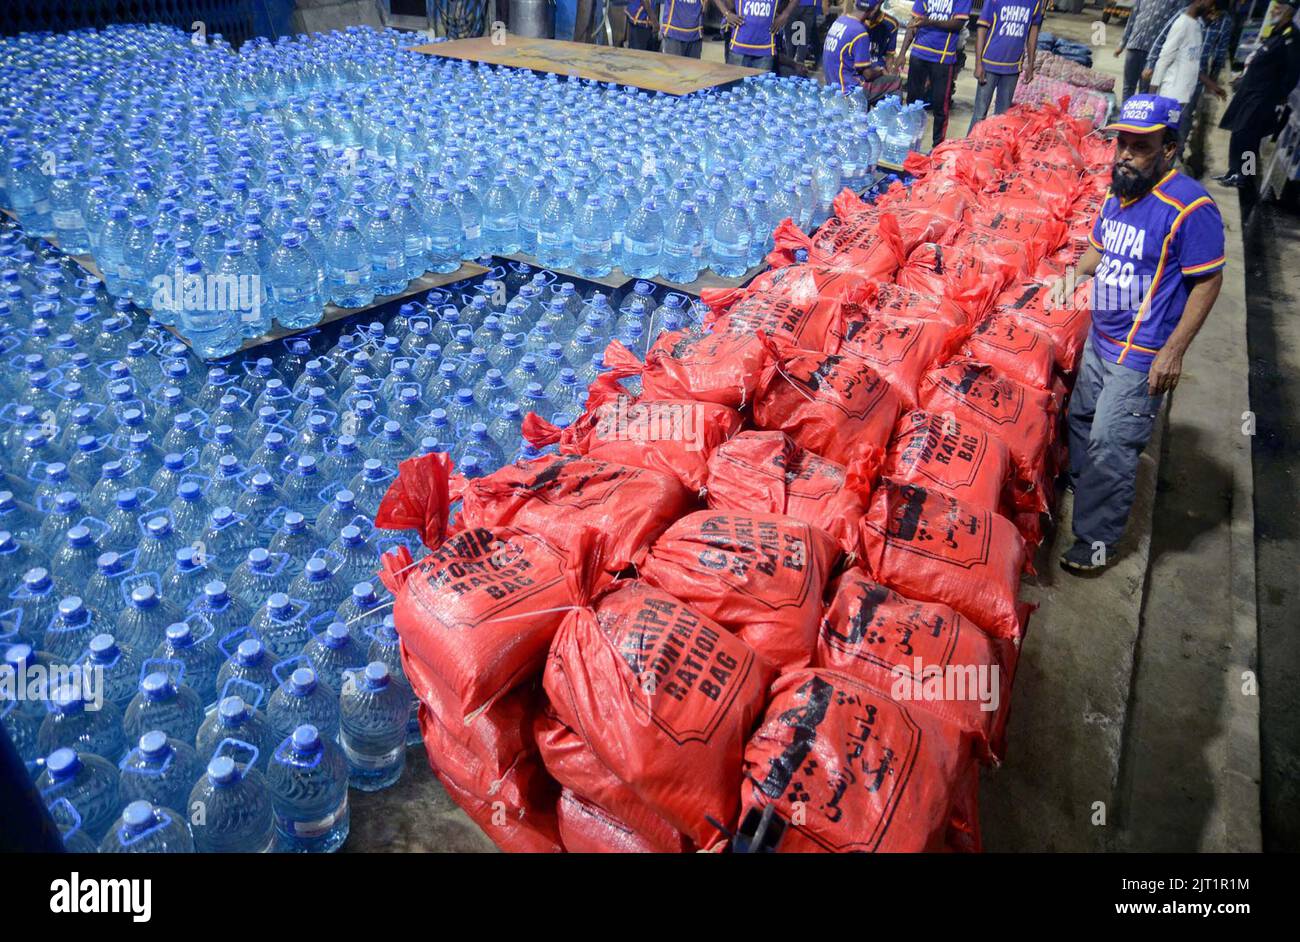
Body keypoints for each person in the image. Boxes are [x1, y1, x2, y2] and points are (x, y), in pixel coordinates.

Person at [1059, 95, 1225, 573]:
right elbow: (1098, 250)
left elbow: (1208, 281)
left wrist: (1173, 351)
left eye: (1140, 146)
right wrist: (1070, 276)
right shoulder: (1120, 192)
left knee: (1113, 442)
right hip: (1101, 334)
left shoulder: (1190, 206)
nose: (1125, 154)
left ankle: (1096, 539)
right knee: (1083, 419)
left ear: (1169, 149)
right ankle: (1085, 483)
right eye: (1122, 144)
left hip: (1141, 349)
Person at [1215, 0, 1300, 189]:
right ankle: (1234, 171)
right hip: (1249, 92)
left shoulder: (1291, 36)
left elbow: (1292, 72)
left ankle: (1245, 176)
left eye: (1280, 7)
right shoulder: (1277, 30)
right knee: (1238, 133)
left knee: (1248, 136)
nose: (1275, 10)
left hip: (1262, 97)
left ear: (1290, 12)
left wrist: (1278, 94)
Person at [1143, 0, 1231, 154]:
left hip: (1182, 98)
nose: (1212, 8)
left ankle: (1164, 165)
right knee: (1159, 137)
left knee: (1168, 137)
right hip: (1170, 96)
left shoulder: (1197, 26)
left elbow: (1192, 64)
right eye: (1211, 3)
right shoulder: (1182, 24)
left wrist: (1212, 85)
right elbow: (1164, 59)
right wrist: (1152, 96)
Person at [897, 0, 972, 148]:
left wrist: (930, 22)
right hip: (918, 54)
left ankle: (937, 147)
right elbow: (914, 23)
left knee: (940, 105)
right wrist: (902, 53)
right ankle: (908, 141)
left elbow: (958, 24)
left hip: (942, 58)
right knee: (912, 100)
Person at [966, 0, 1044, 133]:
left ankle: (994, 150)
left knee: (1002, 117)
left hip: (1012, 68)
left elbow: (1033, 31)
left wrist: (1031, 64)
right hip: (989, 64)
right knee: (979, 114)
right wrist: (979, 63)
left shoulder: (1035, 2)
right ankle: (967, 149)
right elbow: (981, 29)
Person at [822, 0, 901, 98]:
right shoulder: (859, 32)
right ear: (875, 8)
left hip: (832, 83)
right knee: (895, 82)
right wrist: (881, 71)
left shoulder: (840, 20)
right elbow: (867, 74)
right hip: (850, 89)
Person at [1116, 0, 1188, 101]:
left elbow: (1174, 26)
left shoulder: (1175, 2)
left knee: (1145, 90)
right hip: (1134, 46)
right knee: (1128, 86)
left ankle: (1140, 114)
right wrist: (1122, 44)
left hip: (1153, 53)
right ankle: (1125, 113)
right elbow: (1132, 18)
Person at [719, 0, 801, 69]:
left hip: (766, 49)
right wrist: (727, 13)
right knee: (735, 86)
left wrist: (785, 14)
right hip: (739, 47)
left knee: (761, 86)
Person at [781, 0, 828, 75]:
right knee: (802, 39)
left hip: (792, 4)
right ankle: (799, 68)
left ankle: (790, 68)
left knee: (790, 40)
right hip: (809, 4)